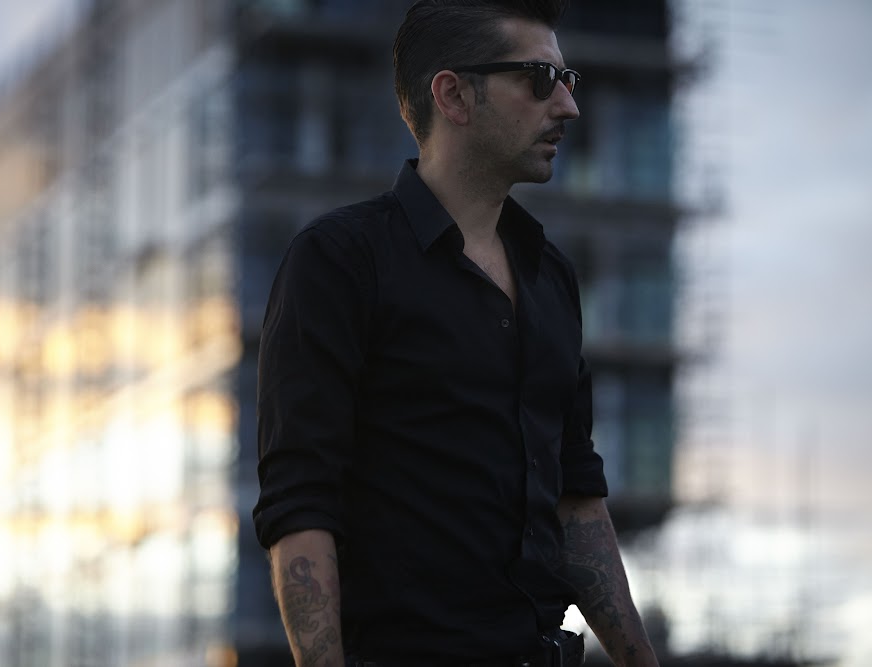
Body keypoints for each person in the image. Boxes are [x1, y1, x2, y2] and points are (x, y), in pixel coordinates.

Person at [252, 1, 660, 665]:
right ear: (453, 95)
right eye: (539, 79)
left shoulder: (551, 275)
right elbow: (301, 503)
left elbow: (576, 500)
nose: (568, 106)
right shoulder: (341, 260)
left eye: (568, 80)